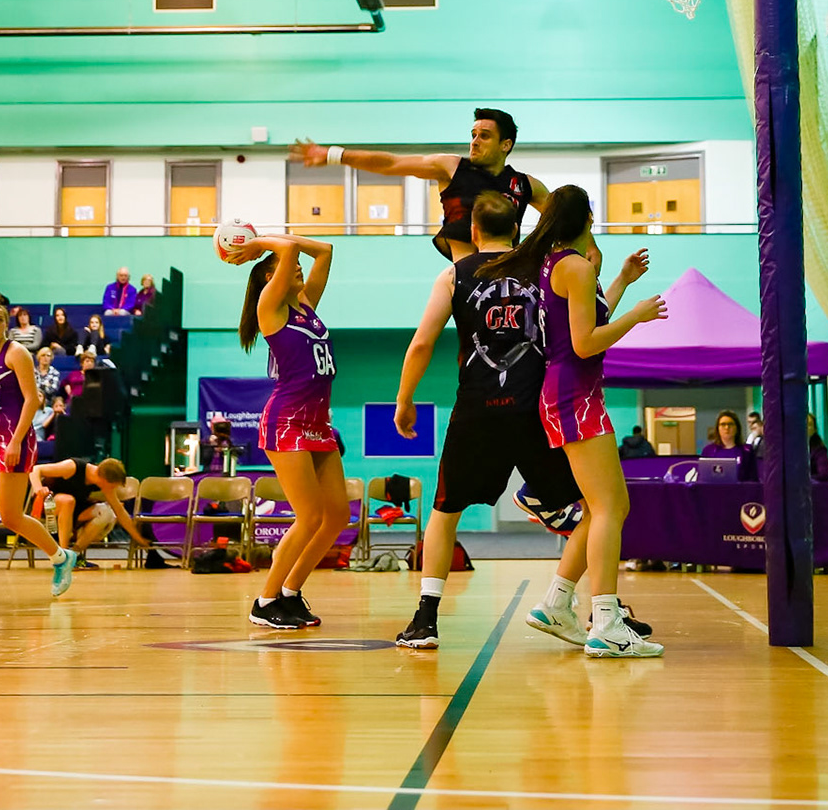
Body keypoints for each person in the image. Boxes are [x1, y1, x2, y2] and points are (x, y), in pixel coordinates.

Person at [392, 192, 640, 650]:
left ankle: (426, 618)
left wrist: (405, 398)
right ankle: (596, 605)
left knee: (445, 512)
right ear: (521, 225)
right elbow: (584, 321)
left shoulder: (455, 274)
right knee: (596, 507)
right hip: (535, 409)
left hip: (476, 407)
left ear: (471, 233)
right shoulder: (544, 267)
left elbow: (423, 343)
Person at [480, 185, 667, 657]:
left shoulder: (558, 265)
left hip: (566, 391)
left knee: (602, 507)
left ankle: (556, 602)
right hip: (573, 393)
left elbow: (586, 318)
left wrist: (622, 281)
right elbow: (586, 342)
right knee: (609, 508)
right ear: (586, 217)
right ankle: (606, 620)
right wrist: (638, 318)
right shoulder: (577, 268)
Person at [229, 232, 347, 629]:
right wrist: (260, 242)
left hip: (318, 421)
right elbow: (292, 250)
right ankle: (264, 601)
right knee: (310, 515)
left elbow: (326, 251)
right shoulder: (271, 307)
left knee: (336, 516)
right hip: (287, 420)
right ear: (268, 278)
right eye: (284, 267)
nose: (295, 266)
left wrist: (269, 240)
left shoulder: (305, 304)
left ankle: (291, 593)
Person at [294, 108, 550, 260]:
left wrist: (586, 250)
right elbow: (391, 164)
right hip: (464, 276)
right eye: (473, 135)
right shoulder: (450, 167)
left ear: (506, 145)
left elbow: (564, 216)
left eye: (484, 136)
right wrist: (333, 154)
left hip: (509, 276)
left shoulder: (526, 185)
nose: (474, 141)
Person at [0, 301, 76, 604]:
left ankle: (61, 557)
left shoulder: (17, 353)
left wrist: (14, 442)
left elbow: (32, 401)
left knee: (11, 516)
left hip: (15, 440)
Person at [30, 456, 148, 564]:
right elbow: (36, 469)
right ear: (104, 479)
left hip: (74, 512)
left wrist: (139, 539)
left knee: (107, 512)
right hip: (48, 505)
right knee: (68, 501)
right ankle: (63, 556)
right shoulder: (72, 467)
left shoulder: (103, 483)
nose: (112, 489)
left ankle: (75, 554)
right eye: (112, 486)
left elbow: (120, 512)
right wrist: (38, 488)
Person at [702, 409, 759, 478]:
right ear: (718, 428)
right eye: (723, 424)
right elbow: (702, 479)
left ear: (737, 428)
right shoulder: (708, 450)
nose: (727, 427)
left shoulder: (746, 451)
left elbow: (753, 480)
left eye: (730, 424)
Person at [806, 414, 828, 481]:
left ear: (814, 429)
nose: (806, 427)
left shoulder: (819, 450)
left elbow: (824, 475)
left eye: (810, 424)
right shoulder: (793, 450)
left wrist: (805, 479)